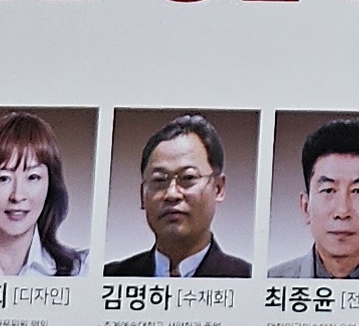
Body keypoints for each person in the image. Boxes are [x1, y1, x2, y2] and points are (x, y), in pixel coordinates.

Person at [267, 119, 359, 281]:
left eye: (358, 191)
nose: (342, 211)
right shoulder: (269, 283)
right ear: (305, 206)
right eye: (328, 190)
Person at [104, 115, 250, 278]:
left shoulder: (248, 279)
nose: (172, 194)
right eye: (159, 180)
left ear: (218, 188)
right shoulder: (111, 278)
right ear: (142, 195)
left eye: (188, 177)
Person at [0, 111, 85, 277]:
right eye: (3, 178)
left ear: (50, 187)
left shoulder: (83, 271)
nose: (17, 196)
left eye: (32, 177)